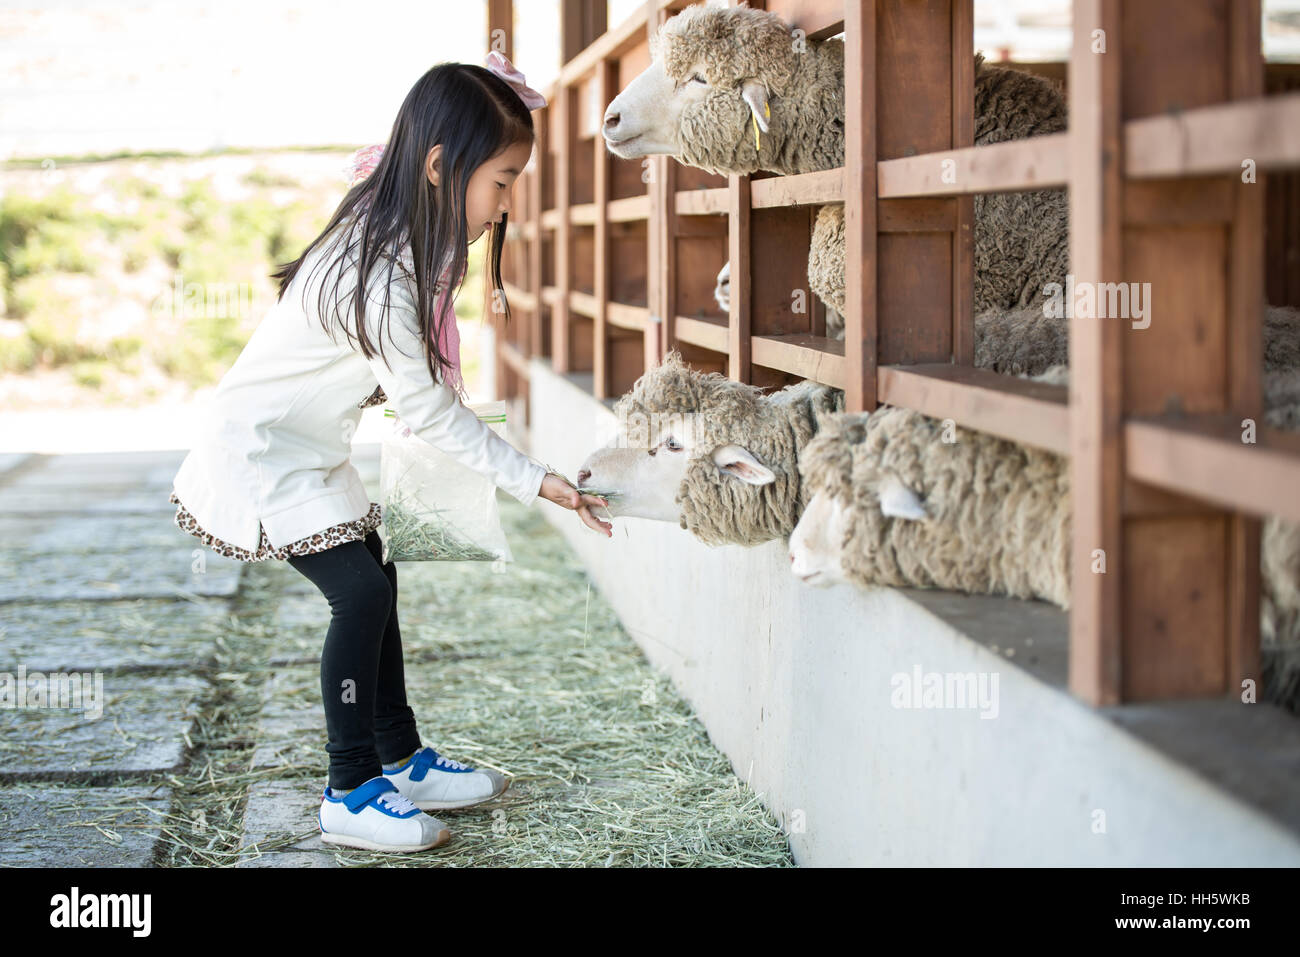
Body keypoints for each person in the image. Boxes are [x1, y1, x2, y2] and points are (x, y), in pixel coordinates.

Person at [168, 52, 611, 854]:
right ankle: (348, 788)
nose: (508, 201)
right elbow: (432, 412)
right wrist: (536, 478)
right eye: (503, 180)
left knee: (380, 570)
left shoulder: (403, 231)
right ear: (442, 166)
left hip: (305, 449)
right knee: (360, 597)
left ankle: (400, 758)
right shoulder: (382, 271)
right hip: (261, 455)